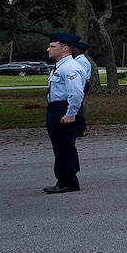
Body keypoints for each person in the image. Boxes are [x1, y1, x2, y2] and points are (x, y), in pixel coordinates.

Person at [43, 32, 87, 192]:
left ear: (65, 49)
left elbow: (76, 93)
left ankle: (69, 181)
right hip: (57, 108)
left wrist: (70, 113)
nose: (48, 49)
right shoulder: (61, 66)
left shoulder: (69, 68)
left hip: (64, 108)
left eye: (52, 46)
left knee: (65, 146)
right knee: (59, 145)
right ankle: (63, 179)